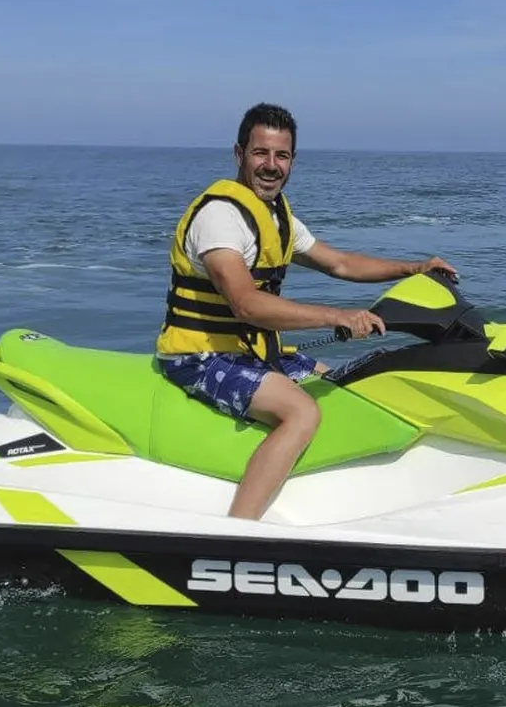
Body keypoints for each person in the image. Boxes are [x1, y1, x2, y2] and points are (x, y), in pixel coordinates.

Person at [156, 102, 458, 521]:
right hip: (199, 357)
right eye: (261, 153)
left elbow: (340, 264)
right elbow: (246, 303)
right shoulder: (220, 217)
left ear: (292, 160)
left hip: (250, 352)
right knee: (301, 411)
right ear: (239, 154)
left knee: (344, 382)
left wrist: (414, 268)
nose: (271, 165)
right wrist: (337, 316)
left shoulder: (277, 217)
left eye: (281, 155)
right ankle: (238, 531)